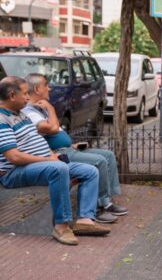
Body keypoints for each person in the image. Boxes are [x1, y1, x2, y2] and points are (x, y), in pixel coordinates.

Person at [0, 76, 110, 245]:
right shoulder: (2, 119)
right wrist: (47, 159)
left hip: (39, 163)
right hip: (13, 172)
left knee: (90, 171)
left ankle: (85, 220)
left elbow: (35, 140)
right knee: (58, 169)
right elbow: (13, 157)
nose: (28, 98)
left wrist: (51, 154)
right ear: (12, 95)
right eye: (24, 94)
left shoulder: (20, 114)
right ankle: (61, 225)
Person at [22, 73, 127, 224]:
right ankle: (98, 208)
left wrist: (70, 144)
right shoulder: (30, 112)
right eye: (46, 85)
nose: (49, 88)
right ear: (38, 88)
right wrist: (51, 109)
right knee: (99, 161)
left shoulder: (40, 108)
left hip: (68, 149)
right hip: (59, 154)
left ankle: (106, 201)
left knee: (108, 155)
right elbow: (51, 129)